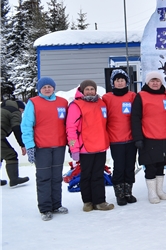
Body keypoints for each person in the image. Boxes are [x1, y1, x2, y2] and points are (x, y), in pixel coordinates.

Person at [21, 77, 69, 221]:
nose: (47, 89)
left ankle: (56, 204)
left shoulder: (63, 102)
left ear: (54, 87)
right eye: (44, 87)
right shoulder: (33, 103)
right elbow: (26, 126)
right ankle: (45, 208)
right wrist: (29, 146)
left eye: (49, 86)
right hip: (42, 147)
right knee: (43, 178)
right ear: (39, 89)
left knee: (56, 177)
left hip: (59, 146)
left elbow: (69, 123)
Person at [66, 80, 114, 211]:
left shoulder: (101, 103)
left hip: (100, 146)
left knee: (98, 175)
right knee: (86, 175)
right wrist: (73, 147)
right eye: (87, 89)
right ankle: (87, 201)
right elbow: (71, 128)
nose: (90, 91)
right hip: (84, 147)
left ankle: (100, 201)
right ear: (82, 90)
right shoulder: (76, 105)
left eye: (92, 89)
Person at [131, 71, 166, 204]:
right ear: (147, 82)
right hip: (149, 136)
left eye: (157, 81)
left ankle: (160, 191)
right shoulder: (141, 96)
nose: (155, 83)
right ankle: (152, 192)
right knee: (150, 166)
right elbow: (135, 118)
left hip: (165, 136)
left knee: (161, 164)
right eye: (152, 81)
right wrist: (138, 137)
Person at [102, 69, 138, 206]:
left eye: (122, 80)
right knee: (119, 167)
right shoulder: (107, 98)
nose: (120, 82)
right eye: (117, 80)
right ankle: (119, 194)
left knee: (129, 166)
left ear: (127, 82)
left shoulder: (132, 96)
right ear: (113, 83)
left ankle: (128, 192)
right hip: (115, 138)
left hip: (131, 138)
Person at [1, 99, 29, 187]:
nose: (21, 113)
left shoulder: (4, 109)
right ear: (20, 108)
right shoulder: (15, 111)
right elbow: (16, 128)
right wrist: (22, 144)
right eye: (22, 111)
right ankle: (14, 179)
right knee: (11, 155)